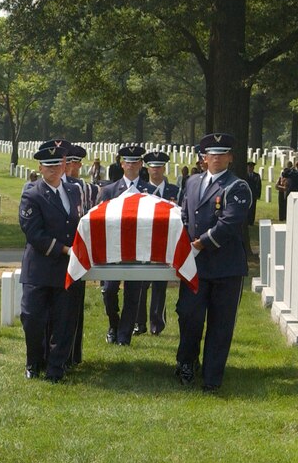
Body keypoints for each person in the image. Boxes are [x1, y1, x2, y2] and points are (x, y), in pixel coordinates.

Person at [175, 132, 252, 392]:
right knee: (189, 316)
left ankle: (212, 377)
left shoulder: (237, 186)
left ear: (230, 158)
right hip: (195, 265)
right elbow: (184, 213)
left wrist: (200, 243)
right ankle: (186, 364)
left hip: (225, 266)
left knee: (220, 324)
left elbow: (229, 223)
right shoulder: (192, 182)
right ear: (203, 158)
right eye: (211, 154)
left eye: (222, 154)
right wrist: (184, 240)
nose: (216, 158)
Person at [18, 143, 84, 382]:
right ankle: (34, 362)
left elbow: (81, 224)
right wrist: (66, 249)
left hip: (66, 270)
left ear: (65, 165)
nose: (54, 170)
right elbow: (34, 234)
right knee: (33, 318)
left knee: (64, 321)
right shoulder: (32, 193)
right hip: (40, 268)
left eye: (58, 164)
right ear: (40, 167)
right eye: (48, 166)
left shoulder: (75, 191)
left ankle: (56, 368)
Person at [97, 144, 156, 346]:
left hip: (139, 250)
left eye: (135, 162)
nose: (131, 165)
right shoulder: (109, 191)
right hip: (113, 251)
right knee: (109, 290)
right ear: (122, 164)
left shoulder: (150, 191)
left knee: (134, 293)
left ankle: (124, 335)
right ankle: (114, 325)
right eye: (127, 162)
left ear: (141, 164)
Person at [134, 150, 180, 336]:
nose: (156, 170)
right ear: (147, 168)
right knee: (141, 284)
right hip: (143, 243)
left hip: (165, 242)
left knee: (160, 285)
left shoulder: (174, 191)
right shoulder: (140, 191)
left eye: (159, 166)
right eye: (153, 167)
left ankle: (157, 323)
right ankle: (139, 323)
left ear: (164, 168)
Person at [64, 144, 99, 367]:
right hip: (58, 252)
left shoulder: (86, 189)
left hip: (77, 253)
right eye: (67, 162)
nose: (70, 167)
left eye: (74, 163)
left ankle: (73, 355)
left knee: (74, 307)